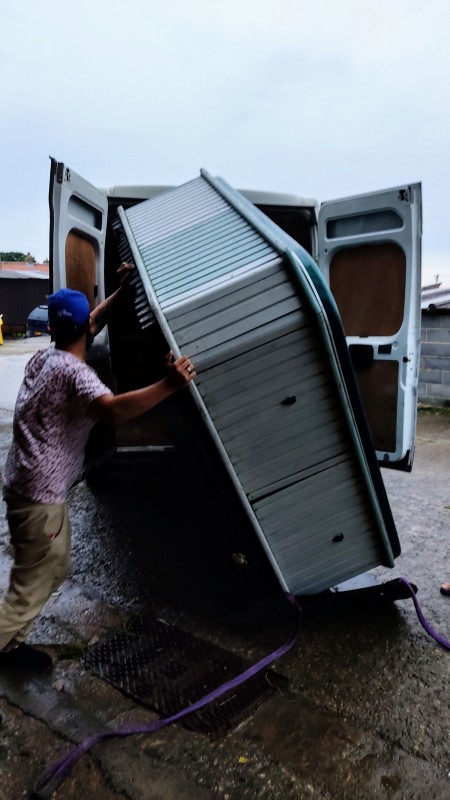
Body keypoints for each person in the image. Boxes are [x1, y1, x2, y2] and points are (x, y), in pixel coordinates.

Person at [0, 262, 196, 671]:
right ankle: (5, 644)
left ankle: (11, 643)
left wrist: (123, 292)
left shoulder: (44, 358)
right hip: (40, 499)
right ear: (84, 329)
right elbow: (115, 410)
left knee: (53, 566)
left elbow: (89, 320)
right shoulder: (76, 374)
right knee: (31, 582)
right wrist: (170, 385)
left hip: (24, 485)